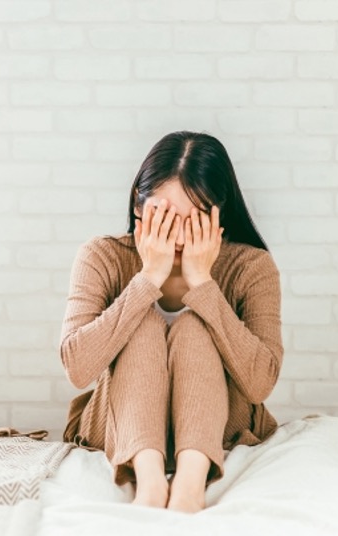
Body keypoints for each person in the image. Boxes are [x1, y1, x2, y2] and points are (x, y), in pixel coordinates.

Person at [59, 131, 283, 514]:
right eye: (164, 216)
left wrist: (204, 284)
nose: (178, 235)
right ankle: (149, 486)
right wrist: (147, 279)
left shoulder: (251, 266)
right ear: (138, 204)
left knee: (194, 327)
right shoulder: (102, 255)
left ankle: (189, 488)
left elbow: (260, 383)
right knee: (144, 324)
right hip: (120, 424)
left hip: (220, 426)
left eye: (195, 218)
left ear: (219, 214)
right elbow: (78, 369)